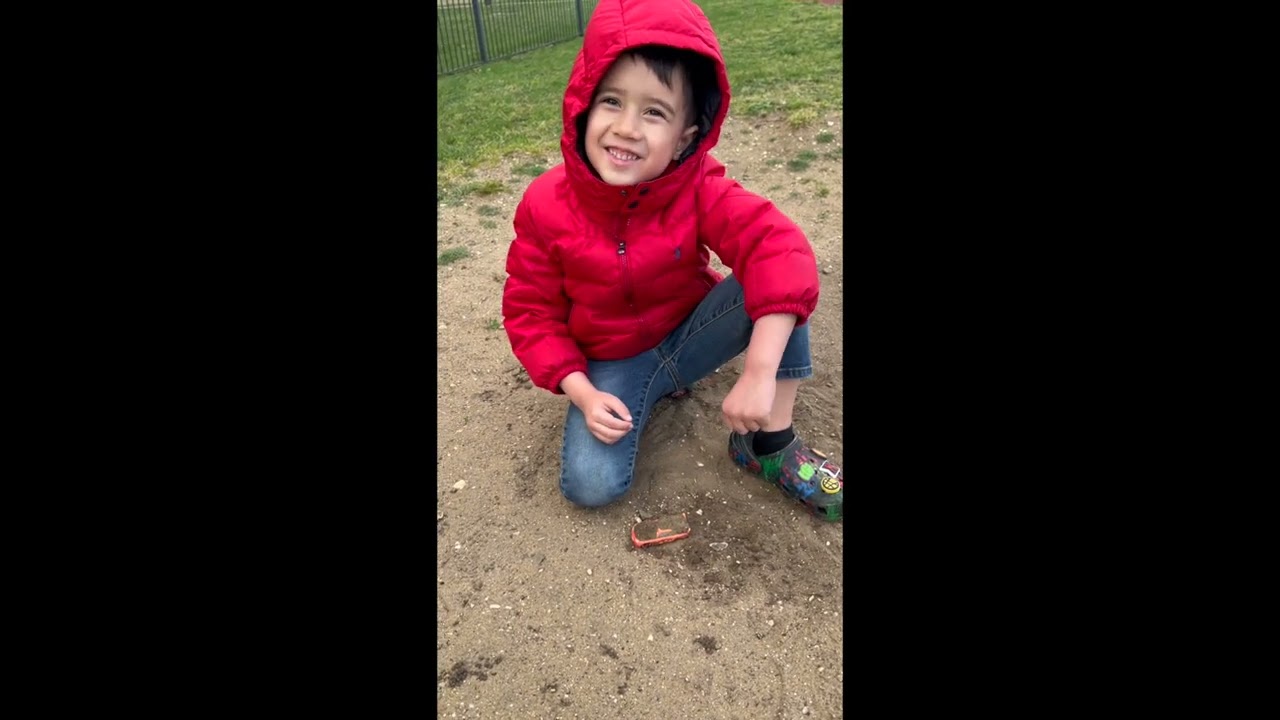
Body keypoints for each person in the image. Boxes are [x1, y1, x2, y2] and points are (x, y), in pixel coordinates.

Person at [501, 0, 842, 522]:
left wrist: (759, 371)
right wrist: (583, 392)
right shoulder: (545, 204)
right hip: (612, 364)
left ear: (686, 137)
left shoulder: (698, 187)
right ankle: (646, 391)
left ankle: (769, 444)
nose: (627, 127)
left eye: (654, 111)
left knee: (777, 278)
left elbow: (779, 247)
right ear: (583, 107)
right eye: (612, 101)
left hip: (688, 335)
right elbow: (530, 313)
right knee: (590, 485)